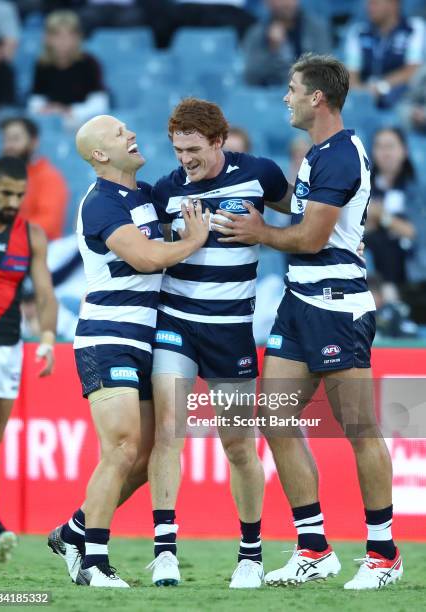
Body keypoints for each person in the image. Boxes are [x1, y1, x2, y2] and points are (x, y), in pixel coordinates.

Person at [214, 53, 403, 590]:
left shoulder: (340, 155)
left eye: (293, 89)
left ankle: (384, 554)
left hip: (337, 306)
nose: (286, 97)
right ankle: (314, 547)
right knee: (274, 418)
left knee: (359, 429)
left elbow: (313, 238)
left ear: (316, 97)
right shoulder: (319, 154)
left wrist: (260, 232)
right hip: (300, 303)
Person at [47, 114, 209, 588]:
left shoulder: (143, 197)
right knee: (120, 448)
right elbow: (145, 257)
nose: (132, 135)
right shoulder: (100, 203)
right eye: (119, 134)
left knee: (140, 458)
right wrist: (194, 240)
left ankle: (75, 531)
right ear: (99, 155)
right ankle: (94, 563)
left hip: (144, 338)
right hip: (107, 336)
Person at [147, 97, 292, 589]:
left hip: (231, 327)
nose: (184, 159)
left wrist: (266, 231)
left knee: (238, 446)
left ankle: (250, 554)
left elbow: (303, 218)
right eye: (176, 150)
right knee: (169, 430)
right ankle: (164, 551)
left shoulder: (261, 174)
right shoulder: (165, 191)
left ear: (218, 141)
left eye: (192, 149)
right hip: (176, 324)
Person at [0, 156, 57, 562]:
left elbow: (44, 293)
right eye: (6, 193)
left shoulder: (32, 235)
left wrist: (45, 336)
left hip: (9, 349)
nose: (13, 201)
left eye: (20, 195)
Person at [0, 117, 69, 241]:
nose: (9, 146)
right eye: (6, 140)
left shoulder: (50, 177)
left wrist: (6, 233)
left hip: (38, 248)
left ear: (34, 142)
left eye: (15, 139)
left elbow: (49, 224)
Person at [27, 10, 109, 131]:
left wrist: (69, 111)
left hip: (83, 120)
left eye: (68, 35)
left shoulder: (89, 63)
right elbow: (35, 100)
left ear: (77, 37)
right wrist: (46, 109)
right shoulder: (42, 65)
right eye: (57, 35)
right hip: (52, 120)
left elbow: (100, 104)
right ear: (47, 38)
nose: (63, 41)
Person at [365, 127, 416, 302]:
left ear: (404, 150)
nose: (385, 153)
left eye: (390, 146)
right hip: (372, 262)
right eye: (379, 146)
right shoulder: (364, 187)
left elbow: (414, 232)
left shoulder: (416, 188)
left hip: (409, 265)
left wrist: (382, 217)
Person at [344, 0, 425, 108]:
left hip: (403, 97)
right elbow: (351, 75)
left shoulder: (415, 28)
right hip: (366, 98)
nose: (369, 7)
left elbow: (413, 70)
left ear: (393, 4)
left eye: (374, 3)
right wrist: (363, 93)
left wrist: (380, 87)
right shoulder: (358, 32)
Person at [243, 0, 332, 87]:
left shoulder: (317, 28)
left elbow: (325, 69)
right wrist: (272, 48)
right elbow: (250, 79)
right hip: (271, 96)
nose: (286, 3)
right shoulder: (256, 34)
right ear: (267, 2)